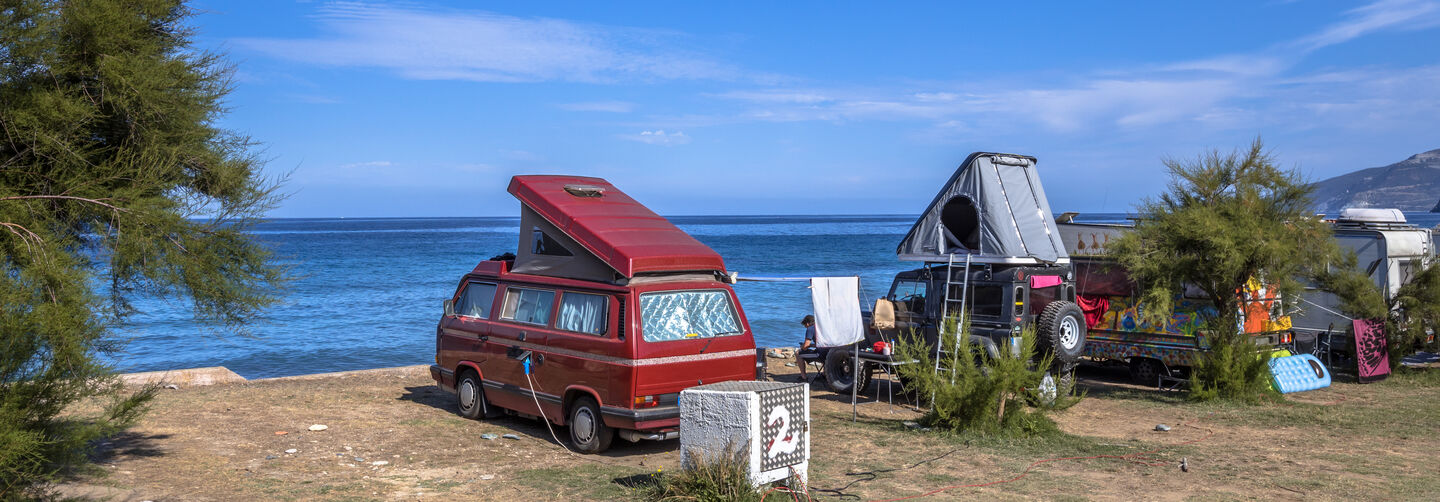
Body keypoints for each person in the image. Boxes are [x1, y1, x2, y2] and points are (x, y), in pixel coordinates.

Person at [797, 315, 818, 381]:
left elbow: (805, 346)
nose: (806, 327)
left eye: (805, 326)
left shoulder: (810, 328)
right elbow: (820, 344)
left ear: (807, 323)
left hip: (820, 354)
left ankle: (804, 377)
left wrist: (802, 347)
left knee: (798, 353)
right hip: (828, 353)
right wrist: (811, 345)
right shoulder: (820, 327)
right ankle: (824, 374)